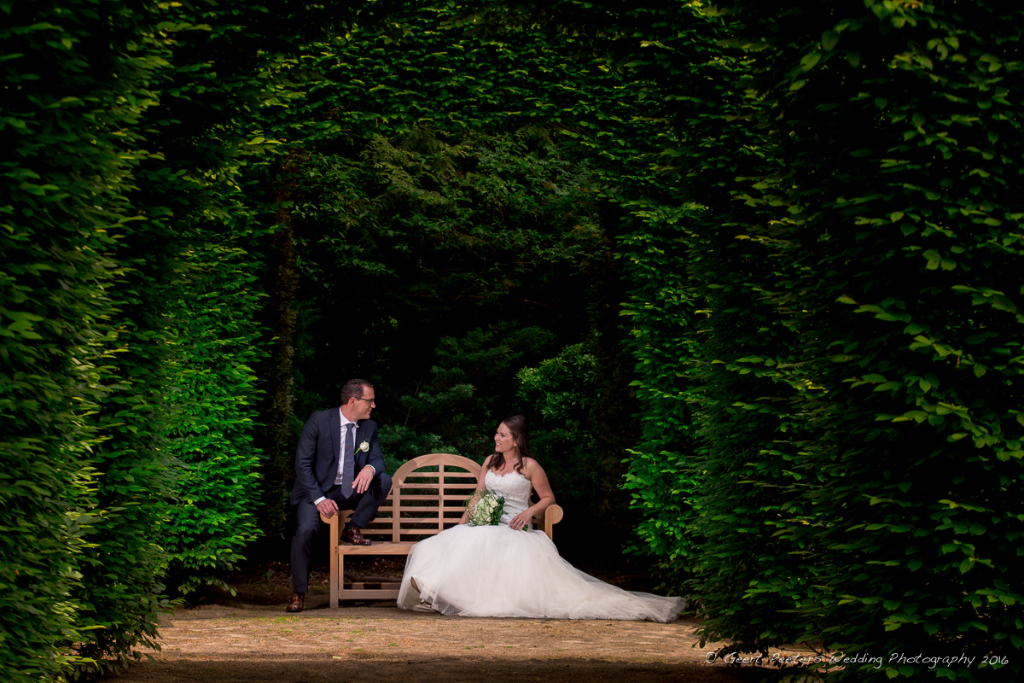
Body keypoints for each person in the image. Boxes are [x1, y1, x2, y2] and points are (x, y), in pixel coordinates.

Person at [397, 416, 685, 622]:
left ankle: (448, 598)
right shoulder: (490, 461)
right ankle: (435, 594)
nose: (496, 439)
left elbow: (549, 498)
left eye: (502, 435)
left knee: (485, 543)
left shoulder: (531, 466)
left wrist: (528, 512)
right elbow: (478, 495)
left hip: (514, 527)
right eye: (496, 434)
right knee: (446, 542)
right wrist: (463, 522)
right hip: (486, 523)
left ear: (517, 440)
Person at [287, 379, 392, 613]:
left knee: (383, 480)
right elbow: (302, 464)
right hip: (313, 493)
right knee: (305, 531)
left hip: (346, 490)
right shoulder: (319, 420)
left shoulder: (369, 427)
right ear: (353, 401)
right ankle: (299, 592)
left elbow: (377, 459)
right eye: (370, 400)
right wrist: (319, 499)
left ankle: (352, 527)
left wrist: (370, 468)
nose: (373, 406)